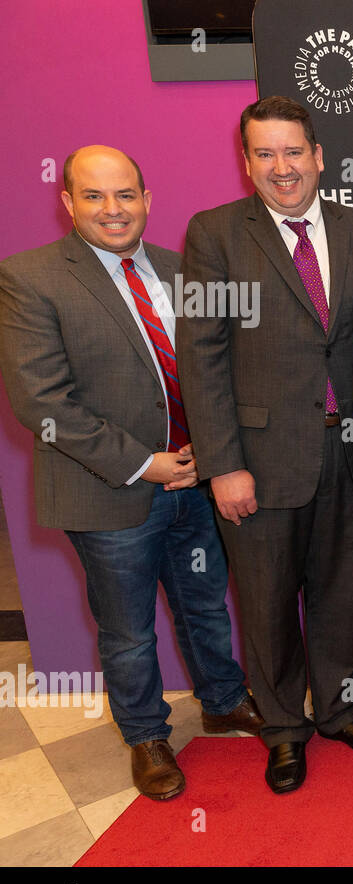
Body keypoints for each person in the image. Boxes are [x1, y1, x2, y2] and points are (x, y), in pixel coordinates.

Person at [0, 146, 262, 801]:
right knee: (127, 629)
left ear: (146, 199)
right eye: (95, 196)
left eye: (126, 195)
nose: (113, 209)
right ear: (68, 202)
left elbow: (213, 370)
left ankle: (224, 701)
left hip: (194, 482)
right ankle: (147, 737)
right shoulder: (30, 277)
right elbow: (43, 402)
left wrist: (205, 447)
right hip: (109, 492)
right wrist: (146, 465)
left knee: (205, 605)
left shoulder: (183, 270)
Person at [177, 96, 353, 795]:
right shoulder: (214, 234)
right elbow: (202, 356)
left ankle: (337, 708)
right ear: (246, 163)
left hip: (350, 452)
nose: (282, 168)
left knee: (341, 593)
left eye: (293, 151)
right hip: (259, 462)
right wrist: (223, 464)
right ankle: (282, 729)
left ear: (318, 156)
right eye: (265, 154)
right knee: (268, 604)